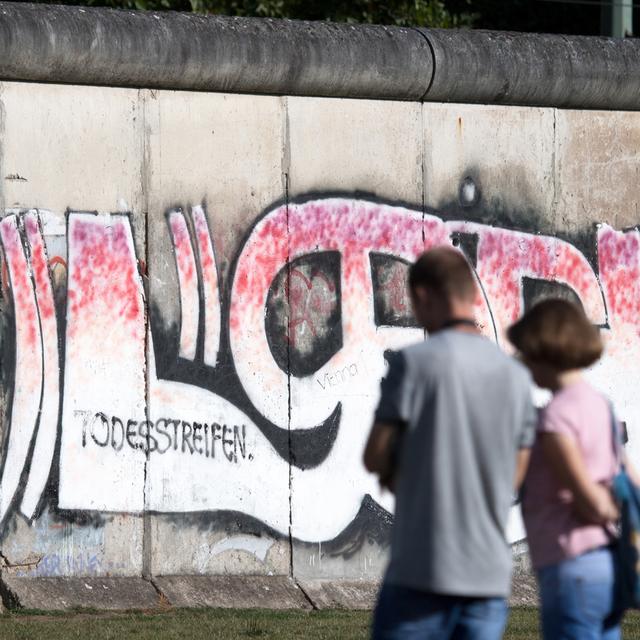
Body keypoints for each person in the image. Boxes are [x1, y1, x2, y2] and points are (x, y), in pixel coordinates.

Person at [364, 246, 536, 640]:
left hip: (422, 570)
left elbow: (374, 455)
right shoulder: (515, 376)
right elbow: (514, 475)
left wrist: (400, 468)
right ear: (472, 293)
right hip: (487, 577)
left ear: (424, 295)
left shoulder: (412, 365)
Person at [508, 298, 630, 640]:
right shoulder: (599, 405)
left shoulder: (555, 418)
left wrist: (605, 507)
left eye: (526, 352)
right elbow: (628, 476)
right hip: (605, 564)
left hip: (570, 567)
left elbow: (586, 496)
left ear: (544, 350)